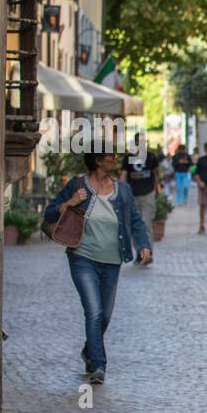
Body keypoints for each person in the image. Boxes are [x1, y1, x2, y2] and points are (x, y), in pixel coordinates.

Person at [43, 149, 152, 385]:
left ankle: (89, 350)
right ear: (97, 161)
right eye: (110, 157)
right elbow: (49, 212)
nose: (115, 160)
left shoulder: (122, 189)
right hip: (82, 257)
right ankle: (98, 365)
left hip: (112, 260)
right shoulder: (78, 185)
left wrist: (143, 245)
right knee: (93, 311)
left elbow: (135, 219)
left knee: (105, 315)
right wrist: (71, 202)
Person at [123, 134, 161, 262]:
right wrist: (122, 191)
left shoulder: (150, 157)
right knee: (135, 225)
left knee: (146, 223)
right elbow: (124, 174)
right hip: (133, 195)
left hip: (148, 194)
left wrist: (157, 189)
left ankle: (148, 253)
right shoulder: (129, 157)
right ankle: (140, 253)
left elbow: (154, 174)